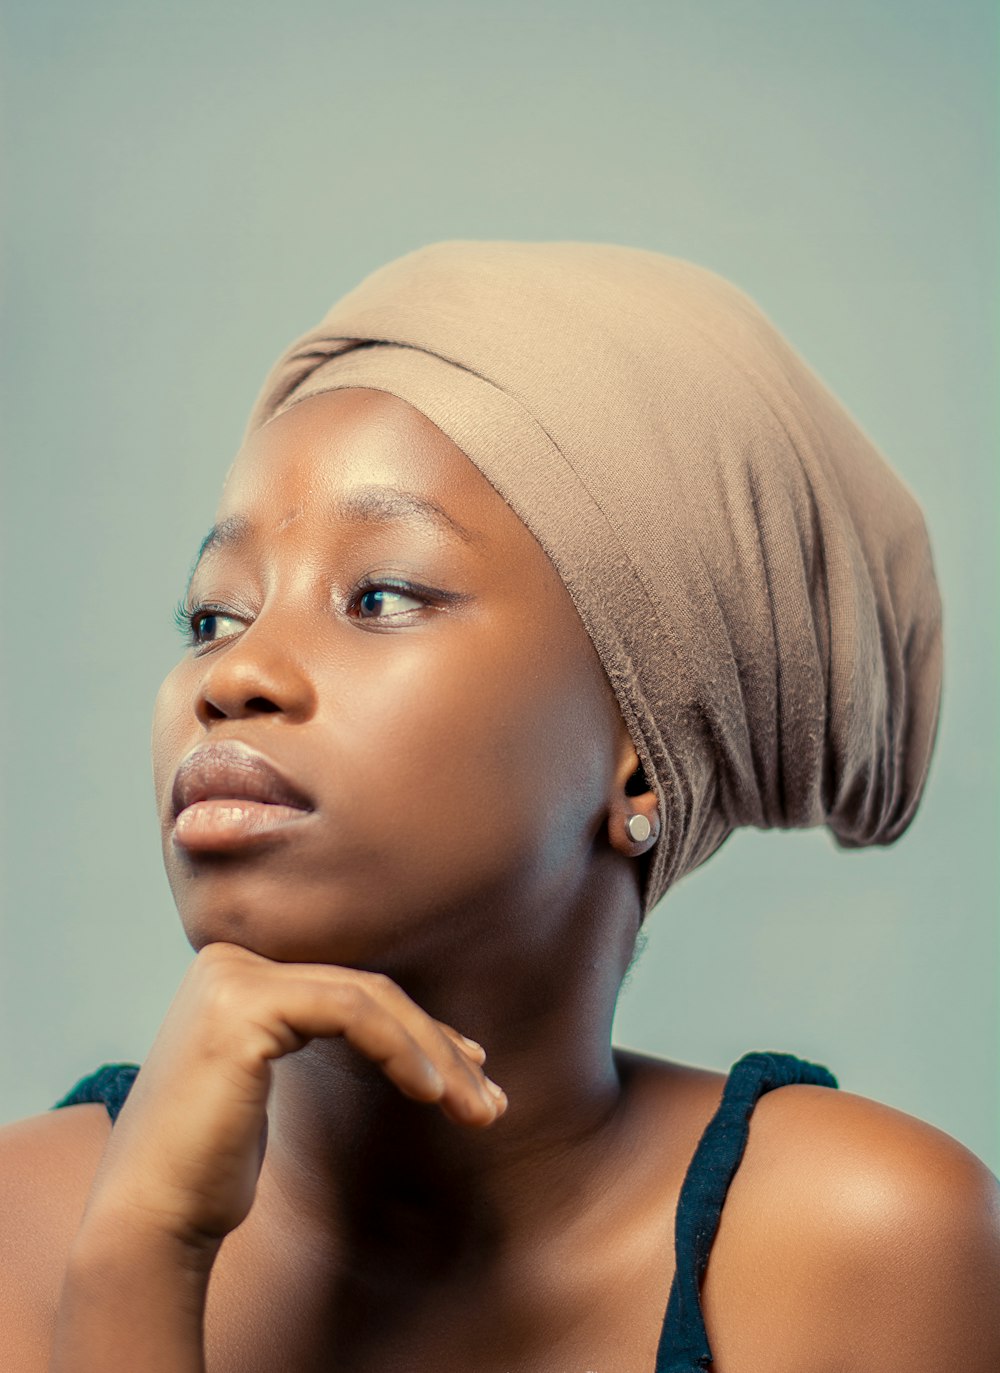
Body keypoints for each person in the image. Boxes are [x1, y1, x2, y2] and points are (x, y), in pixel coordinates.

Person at [2, 240, 997, 1372]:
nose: (232, 677)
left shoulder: (862, 1244)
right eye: (212, 617)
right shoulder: (22, 1238)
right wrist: (138, 1259)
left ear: (641, 758)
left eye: (379, 595)